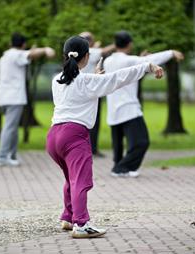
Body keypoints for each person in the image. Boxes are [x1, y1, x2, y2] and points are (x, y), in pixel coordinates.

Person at [46, 36, 163, 238]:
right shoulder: (89, 81)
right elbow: (117, 78)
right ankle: (81, 225)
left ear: (65, 56)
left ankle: (68, 217)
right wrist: (147, 66)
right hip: (74, 135)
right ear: (87, 56)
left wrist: (95, 77)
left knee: (70, 179)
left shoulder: (56, 80)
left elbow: (79, 85)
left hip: (54, 136)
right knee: (80, 181)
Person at [104, 31, 184, 177]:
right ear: (129, 44)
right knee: (142, 142)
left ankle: (118, 166)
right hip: (128, 108)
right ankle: (121, 168)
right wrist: (171, 52)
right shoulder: (129, 60)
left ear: (115, 45)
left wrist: (140, 59)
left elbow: (129, 67)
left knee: (118, 145)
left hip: (113, 110)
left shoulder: (107, 61)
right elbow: (152, 60)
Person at [0, 32, 55, 166]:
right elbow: (29, 54)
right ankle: (2, 156)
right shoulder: (16, 54)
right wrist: (45, 49)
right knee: (10, 127)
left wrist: (31, 50)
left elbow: (27, 55)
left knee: (12, 127)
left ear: (11, 43)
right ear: (23, 44)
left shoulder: (6, 56)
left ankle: (11, 155)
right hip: (14, 97)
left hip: (4, 96)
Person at [79, 32, 115, 157]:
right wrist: (117, 44)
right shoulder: (91, 53)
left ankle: (84, 148)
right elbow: (104, 51)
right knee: (94, 121)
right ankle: (92, 148)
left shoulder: (78, 53)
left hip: (80, 91)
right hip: (93, 91)